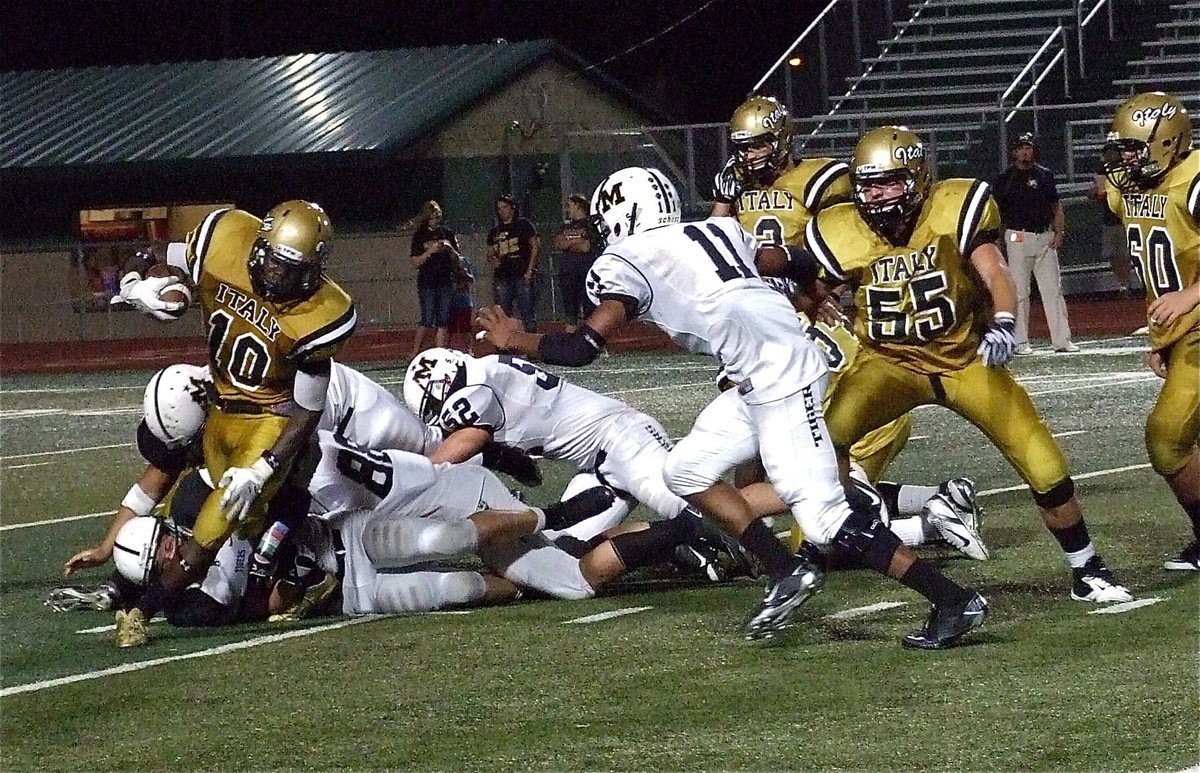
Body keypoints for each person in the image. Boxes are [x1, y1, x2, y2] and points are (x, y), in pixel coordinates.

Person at [477, 166, 987, 649]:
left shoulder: (625, 259)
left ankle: (952, 600)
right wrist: (811, 297)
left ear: (619, 215)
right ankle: (786, 571)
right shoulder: (718, 230)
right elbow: (792, 260)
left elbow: (583, 347)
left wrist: (516, 339)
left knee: (824, 517)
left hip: (778, 376)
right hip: (760, 372)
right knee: (684, 469)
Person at [803, 125, 1131, 603]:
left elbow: (995, 270)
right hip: (888, 363)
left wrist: (1002, 321)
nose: (875, 195)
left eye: (888, 182)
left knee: (1042, 463)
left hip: (963, 359)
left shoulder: (954, 206)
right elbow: (811, 282)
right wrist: (807, 300)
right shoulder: (839, 229)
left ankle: (1087, 568)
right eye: (867, 184)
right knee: (820, 445)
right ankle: (831, 541)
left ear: (916, 177)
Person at [107, 199, 357, 647]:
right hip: (218, 410)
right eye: (274, 262)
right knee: (238, 517)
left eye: (292, 269)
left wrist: (263, 466)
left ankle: (140, 613)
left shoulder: (321, 313)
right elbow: (153, 253)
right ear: (258, 245)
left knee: (216, 521)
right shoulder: (225, 242)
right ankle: (306, 567)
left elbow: (307, 410)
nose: (278, 277)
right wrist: (136, 284)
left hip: (268, 419)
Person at [401, 348, 752, 578]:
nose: (441, 424)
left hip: (625, 440)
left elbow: (466, 441)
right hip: (600, 468)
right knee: (561, 551)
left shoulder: (475, 389)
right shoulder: (484, 372)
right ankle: (672, 546)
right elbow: (529, 472)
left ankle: (786, 547)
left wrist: (412, 474)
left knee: (705, 510)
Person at [1101, 91, 1200, 571]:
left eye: (1134, 149)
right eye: (1121, 149)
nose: (1124, 159)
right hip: (1188, 330)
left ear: (1168, 143)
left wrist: (1190, 297)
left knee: (1168, 437)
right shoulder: (1134, 188)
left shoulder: (1194, 180)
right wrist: (1163, 335)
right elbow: (1158, 264)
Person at [710, 94, 851, 247]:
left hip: (803, 269)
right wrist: (723, 200)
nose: (749, 156)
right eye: (743, 148)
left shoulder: (817, 178)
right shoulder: (736, 180)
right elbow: (714, 241)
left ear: (783, 139)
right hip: (750, 270)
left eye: (758, 146)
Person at [992, 132, 1078, 354]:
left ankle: (1062, 340)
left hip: (1043, 237)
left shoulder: (1044, 175)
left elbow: (1056, 206)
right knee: (1019, 292)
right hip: (1017, 237)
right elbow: (997, 213)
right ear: (1014, 152)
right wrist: (998, 242)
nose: (1024, 152)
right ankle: (1020, 342)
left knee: (1053, 291)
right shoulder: (1004, 179)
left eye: (1028, 147)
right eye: (1021, 148)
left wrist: (1059, 231)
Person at [408, 200, 461, 357]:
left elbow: (458, 259)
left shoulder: (447, 233)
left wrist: (449, 249)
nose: (436, 214)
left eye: (438, 211)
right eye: (432, 211)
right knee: (427, 317)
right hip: (427, 282)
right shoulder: (420, 235)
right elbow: (414, 262)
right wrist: (429, 251)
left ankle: (440, 353)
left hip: (445, 280)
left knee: (443, 318)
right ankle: (415, 351)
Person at [486, 194, 540, 333]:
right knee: (503, 312)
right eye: (499, 209)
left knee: (527, 313)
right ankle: (504, 346)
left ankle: (531, 346)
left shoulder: (523, 225)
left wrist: (530, 270)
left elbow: (535, 246)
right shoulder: (495, 231)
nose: (502, 211)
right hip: (503, 276)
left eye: (504, 207)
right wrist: (493, 260)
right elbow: (490, 252)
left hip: (522, 274)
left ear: (512, 208)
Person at [1090, 169, 1142, 298]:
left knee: (1127, 254)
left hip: (1125, 221)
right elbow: (1094, 195)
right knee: (1113, 255)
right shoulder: (1103, 174)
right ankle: (1122, 284)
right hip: (1110, 222)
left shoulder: (1126, 173)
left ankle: (1129, 282)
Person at [553, 194, 599, 330]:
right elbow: (558, 243)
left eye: (569, 206)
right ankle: (571, 345)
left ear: (578, 206)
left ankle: (593, 345)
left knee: (590, 312)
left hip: (585, 273)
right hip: (568, 274)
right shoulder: (565, 226)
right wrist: (576, 242)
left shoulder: (590, 225)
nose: (567, 210)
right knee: (570, 314)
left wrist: (569, 243)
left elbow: (586, 247)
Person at [447, 253, 477, 354]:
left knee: (466, 327)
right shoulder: (444, 262)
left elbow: (472, 279)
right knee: (449, 328)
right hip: (449, 299)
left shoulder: (463, 261)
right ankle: (447, 348)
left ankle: (469, 350)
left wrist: (465, 274)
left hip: (464, 299)